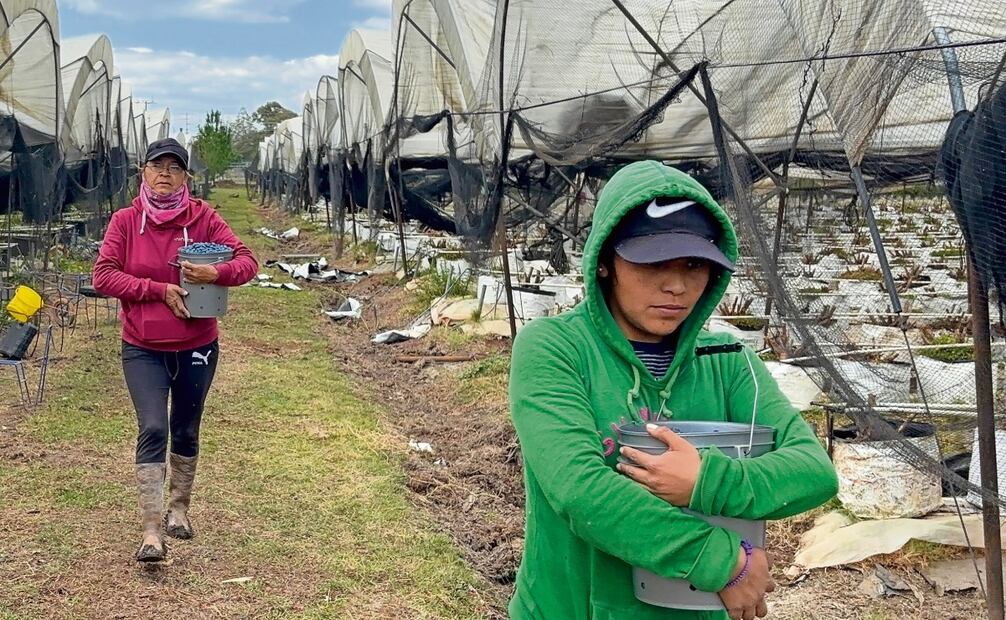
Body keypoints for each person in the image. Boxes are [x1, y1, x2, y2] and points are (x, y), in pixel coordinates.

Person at [508, 161, 838, 620]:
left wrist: (704, 482)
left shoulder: (725, 359)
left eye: (694, 264)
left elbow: (813, 471)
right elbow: (580, 490)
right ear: (604, 261)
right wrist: (723, 563)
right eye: (653, 263)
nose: (677, 285)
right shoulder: (556, 348)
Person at [93, 138, 258, 562]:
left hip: (197, 345)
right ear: (143, 172)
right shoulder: (125, 221)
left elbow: (248, 262)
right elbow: (103, 276)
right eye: (157, 165)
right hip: (142, 346)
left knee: (185, 426)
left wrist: (215, 272)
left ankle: (179, 508)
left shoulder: (203, 218)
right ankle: (151, 530)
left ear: (186, 176)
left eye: (174, 167)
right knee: (152, 427)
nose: (165, 173)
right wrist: (157, 289)